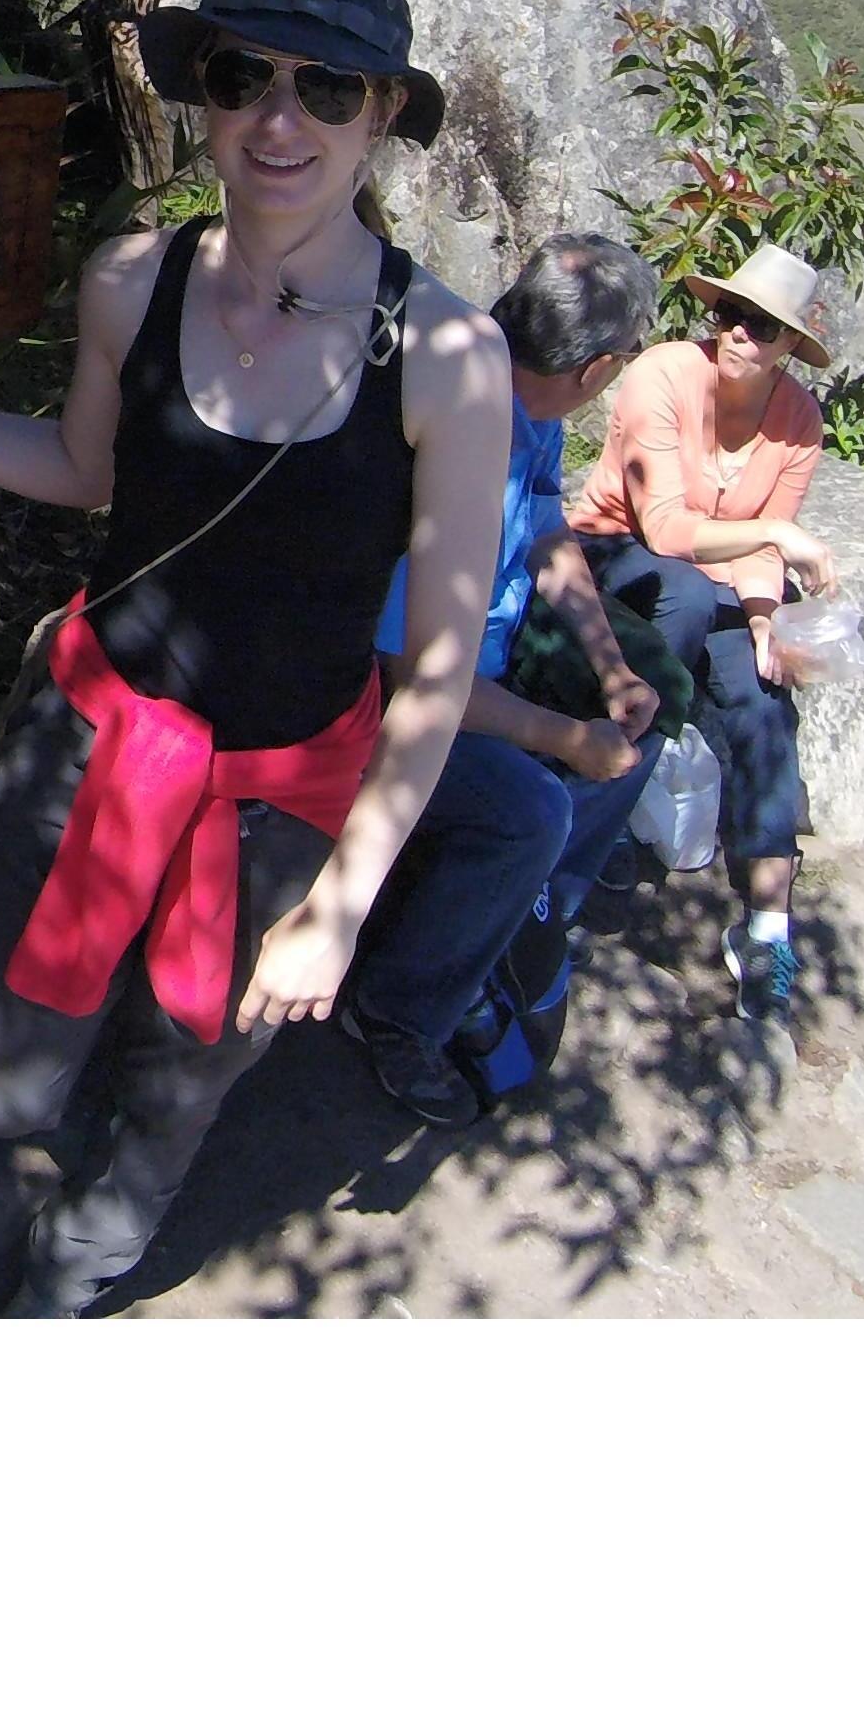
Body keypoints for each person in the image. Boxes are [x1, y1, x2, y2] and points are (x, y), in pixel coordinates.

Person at [0, 0, 512, 1315]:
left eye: (328, 89)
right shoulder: (131, 280)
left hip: (284, 810)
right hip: (89, 747)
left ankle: (75, 1277)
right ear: (205, 96)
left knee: (184, 1085)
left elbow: (439, 666)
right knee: (18, 1043)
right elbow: (88, 475)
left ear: (384, 116)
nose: (279, 119)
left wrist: (339, 910)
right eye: (244, 76)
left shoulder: (449, 361)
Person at [338, 233, 671, 1123]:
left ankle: (520, 914)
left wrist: (610, 667)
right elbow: (410, 672)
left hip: (487, 646)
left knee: (655, 688)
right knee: (537, 809)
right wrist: (564, 736)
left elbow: (547, 528)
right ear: (600, 368)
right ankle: (397, 1013)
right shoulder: (454, 423)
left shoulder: (532, 397)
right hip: (383, 697)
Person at [567, 239, 841, 1023]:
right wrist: (779, 545)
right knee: (683, 599)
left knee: (763, 697)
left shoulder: (798, 422)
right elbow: (663, 528)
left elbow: (760, 546)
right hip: (614, 551)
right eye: (730, 314)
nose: (739, 334)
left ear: (793, 345)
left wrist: (764, 623)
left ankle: (766, 927)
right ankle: (615, 788)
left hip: (714, 577)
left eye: (763, 326)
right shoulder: (663, 374)